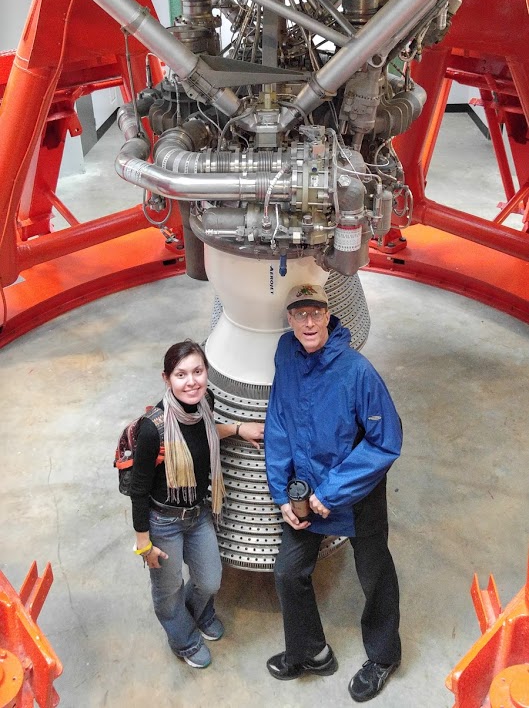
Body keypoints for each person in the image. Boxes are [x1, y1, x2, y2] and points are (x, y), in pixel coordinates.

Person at [264, 284, 402, 702]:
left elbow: (385, 441)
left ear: (328, 315)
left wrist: (334, 492)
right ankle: (311, 652)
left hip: (356, 492)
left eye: (315, 313)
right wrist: (282, 494)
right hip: (306, 489)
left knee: (374, 574)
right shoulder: (286, 355)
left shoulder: (358, 371)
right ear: (289, 319)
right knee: (288, 571)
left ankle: (384, 657)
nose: (308, 322)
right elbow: (279, 422)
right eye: (299, 314)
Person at [130, 339, 264, 669]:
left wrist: (237, 428)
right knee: (168, 590)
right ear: (166, 379)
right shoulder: (152, 429)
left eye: (198, 371)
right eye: (181, 374)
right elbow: (138, 489)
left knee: (210, 580)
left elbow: (202, 434)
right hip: (163, 521)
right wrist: (144, 544)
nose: (191, 382)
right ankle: (184, 639)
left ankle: (195, 614)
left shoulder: (206, 403)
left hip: (198, 513)